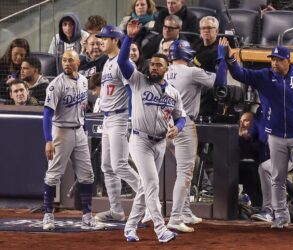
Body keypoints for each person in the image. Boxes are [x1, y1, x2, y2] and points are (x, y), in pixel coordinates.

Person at [224, 42, 293, 230]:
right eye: (273, 60)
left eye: (278, 60)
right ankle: (280, 216)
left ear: (288, 60)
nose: (274, 64)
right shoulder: (264, 76)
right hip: (275, 137)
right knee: (277, 177)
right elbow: (240, 74)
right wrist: (231, 58)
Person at [118, 19, 187, 243]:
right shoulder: (138, 80)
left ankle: (129, 227)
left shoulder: (173, 93)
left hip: (159, 143)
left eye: (159, 65)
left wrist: (177, 128)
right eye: (152, 64)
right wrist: (129, 37)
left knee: (145, 188)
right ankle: (161, 229)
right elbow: (122, 61)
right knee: (152, 185)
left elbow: (181, 117)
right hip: (140, 141)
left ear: (167, 69)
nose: (154, 67)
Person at [164, 39, 227, 232]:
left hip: (164, 125)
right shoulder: (191, 72)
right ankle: (175, 219)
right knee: (185, 173)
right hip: (183, 125)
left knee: (181, 170)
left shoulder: (164, 71)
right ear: (188, 55)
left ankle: (185, 212)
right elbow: (220, 81)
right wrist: (222, 58)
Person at [41, 50, 101, 230]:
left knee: (87, 175)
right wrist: (48, 139)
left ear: (78, 62)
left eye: (70, 60)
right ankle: (48, 216)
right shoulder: (55, 85)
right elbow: (47, 114)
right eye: (64, 60)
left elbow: (82, 108)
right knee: (53, 176)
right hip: (61, 131)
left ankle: (87, 217)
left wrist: (82, 129)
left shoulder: (83, 81)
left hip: (79, 131)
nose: (66, 63)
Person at [93, 25, 141, 223]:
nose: (101, 41)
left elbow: (133, 90)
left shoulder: (124, 63)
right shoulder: (107, 62)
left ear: (115, 40)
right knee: (107, 166)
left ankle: (150, 197)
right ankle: (116, 210)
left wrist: (132, 118)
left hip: (121, 117)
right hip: (107, 118)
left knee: (119, 165)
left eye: (105, 38)